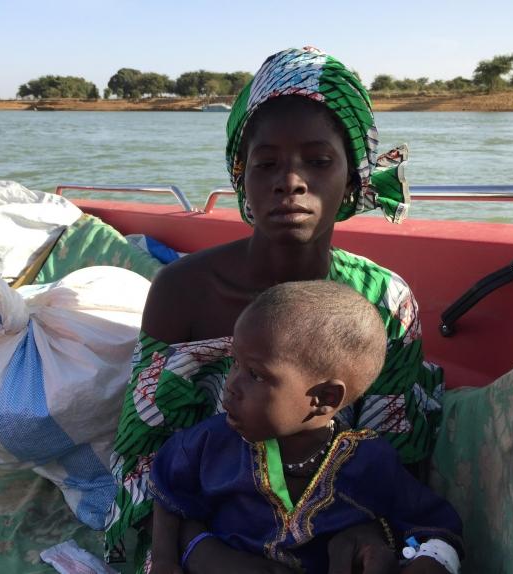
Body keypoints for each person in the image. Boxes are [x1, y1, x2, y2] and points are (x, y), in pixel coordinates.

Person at [105, 47, 444, 573]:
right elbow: (145, 456)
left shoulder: (384, 300)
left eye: (319, 161)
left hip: (337, 519)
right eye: (266, 164)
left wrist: (360, 531)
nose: (290, 181)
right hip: (196, 518)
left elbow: (398, 456)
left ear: (354, 176)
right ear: (241, 178)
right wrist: (191, 547)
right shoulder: (182, 289)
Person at [149, 280, 463, 574]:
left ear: (323, 398)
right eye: (235, 363)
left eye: (256, 375)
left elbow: (434, 527)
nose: (230, 385)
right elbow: (168, 495)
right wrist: (165, 562)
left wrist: (429, 561)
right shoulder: (212, 441)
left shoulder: (369, 462)